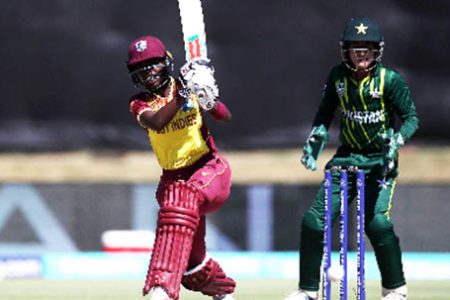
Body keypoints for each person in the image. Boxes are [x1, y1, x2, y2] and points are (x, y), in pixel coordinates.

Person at [286, 17, 419, 300]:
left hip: (379, 162)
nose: (361, 54)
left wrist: (397, 140)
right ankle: (307, 291)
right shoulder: (337, 77)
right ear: (344, 51)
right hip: (346, 159)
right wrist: (317, 134)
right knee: (313, 221)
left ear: (377, 51)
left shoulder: (390, 80)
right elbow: (325, 112)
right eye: (355, 47)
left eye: (367, 48)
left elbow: (411, 118)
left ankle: (395, 289)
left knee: (377, 224)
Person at [126, 35, 236, 300]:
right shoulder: (139, 103)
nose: (149, 71)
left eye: (153, 64)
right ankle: (223, 292)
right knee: (191, 267)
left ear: (166, 62)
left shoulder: (188, 86)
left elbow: (225, 117)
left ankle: (162, 286)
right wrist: (185, 92)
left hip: (209, 170)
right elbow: (157, 123)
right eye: (141, 67)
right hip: (173, 179)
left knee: (181, 196)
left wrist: (208, 98)